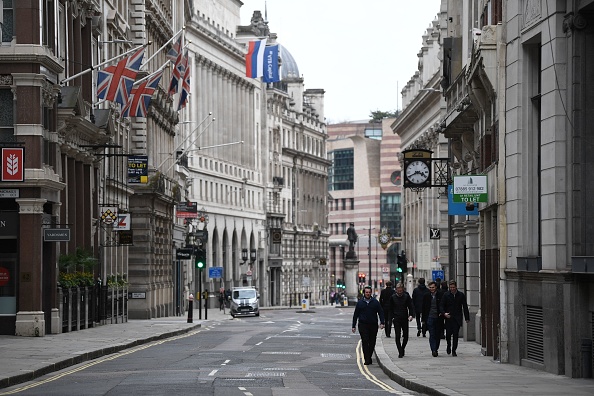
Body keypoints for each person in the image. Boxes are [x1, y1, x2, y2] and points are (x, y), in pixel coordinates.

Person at [352, 286, 385, 365]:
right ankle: (367, 359)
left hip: (373, 324)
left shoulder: (375, 302)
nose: (368, 293)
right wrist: (353, 326)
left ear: (371, 293)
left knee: (372, 341)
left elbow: (380, 312)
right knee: (365, 340)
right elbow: (355, 315)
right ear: (364, 293)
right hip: (363, 324)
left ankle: (369, 356)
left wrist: (382, 322)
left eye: (369, 292)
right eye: (366, 292)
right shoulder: (360, 303)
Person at [440, 280, 470, 357]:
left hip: (457, 317)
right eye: (451, 287)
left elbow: (465, 307)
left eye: (453, 287)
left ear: (456, 287)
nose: (452, 289)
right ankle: (448, 345)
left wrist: (467, 317)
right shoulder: (446, 295)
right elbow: (442, 305)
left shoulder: (461, 295)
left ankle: (454, 350)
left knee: (456, 334)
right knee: (448, 334)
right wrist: (444, 313)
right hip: (448, 317)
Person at [388, 283, 414, 358]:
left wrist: (411, 315)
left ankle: (402, 348)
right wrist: (391, 318)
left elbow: (410, 306)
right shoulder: (393, 297)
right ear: (396, 290)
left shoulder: (406, 296)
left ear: (403, 290)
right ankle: (400, 351)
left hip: (405, 318)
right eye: (398, 290)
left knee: (406, 336)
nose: (399, 292)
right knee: (397, 335)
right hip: (396, 318)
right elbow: (390, 309)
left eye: (401, 290)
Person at [421, 281, 445, 357]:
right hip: (430, 317)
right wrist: (423, 319)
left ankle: (436, 348)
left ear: (436, 287)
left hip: (438, 317)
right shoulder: (426, 295)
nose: (431, 289)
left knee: (437, 334)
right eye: (430, 287)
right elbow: (424, 308)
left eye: (433, 287)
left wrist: (443, 313)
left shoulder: (440, 295)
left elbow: (443, 305)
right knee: (432, 334)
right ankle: (433, 350)